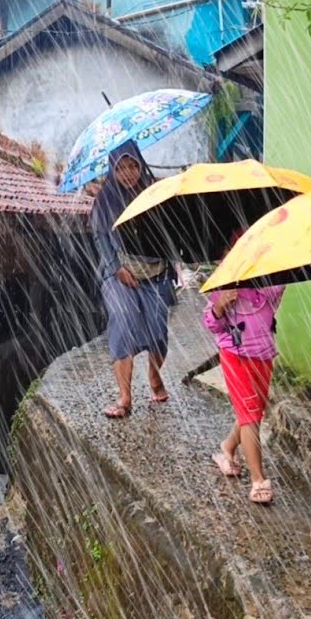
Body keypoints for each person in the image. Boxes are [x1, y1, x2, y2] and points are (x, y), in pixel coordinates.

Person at [90, 141, 177, 419]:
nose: (128, 173)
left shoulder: (154, 193)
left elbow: (174, 230)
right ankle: (125, 398)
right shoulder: (105, 199)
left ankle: (154, 375)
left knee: (157, 331)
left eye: (133, 166)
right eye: (121, 168)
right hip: (120, 274)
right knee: (123, 319)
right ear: (112, 171)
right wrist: (116, 266)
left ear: (141, 165)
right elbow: (100, 236)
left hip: (156, 273)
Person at [203, 231, 284, 504]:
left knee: (253, 411)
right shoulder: (222, 285)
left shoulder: (268, 283)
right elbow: (211, 323)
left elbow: (277, 293)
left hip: (263, 355)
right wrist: (220, 306)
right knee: (250, 416)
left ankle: (227, 448)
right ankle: (258, 479)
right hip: (234, 355)